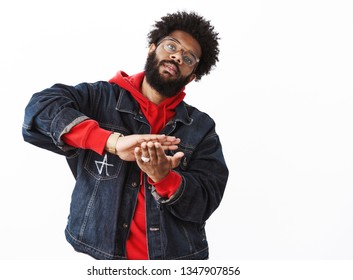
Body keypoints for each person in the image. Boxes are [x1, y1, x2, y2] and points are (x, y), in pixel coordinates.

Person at [22, 10, 229, 260]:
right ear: (152, 48)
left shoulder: (201, 127)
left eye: (189, 58)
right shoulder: (99, 98)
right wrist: (111, 142)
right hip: (95, 257)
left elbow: (206, 200)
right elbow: (39, 109)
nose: (177, 55)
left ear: (192, 76)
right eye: (171, 46)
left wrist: (165, 178)